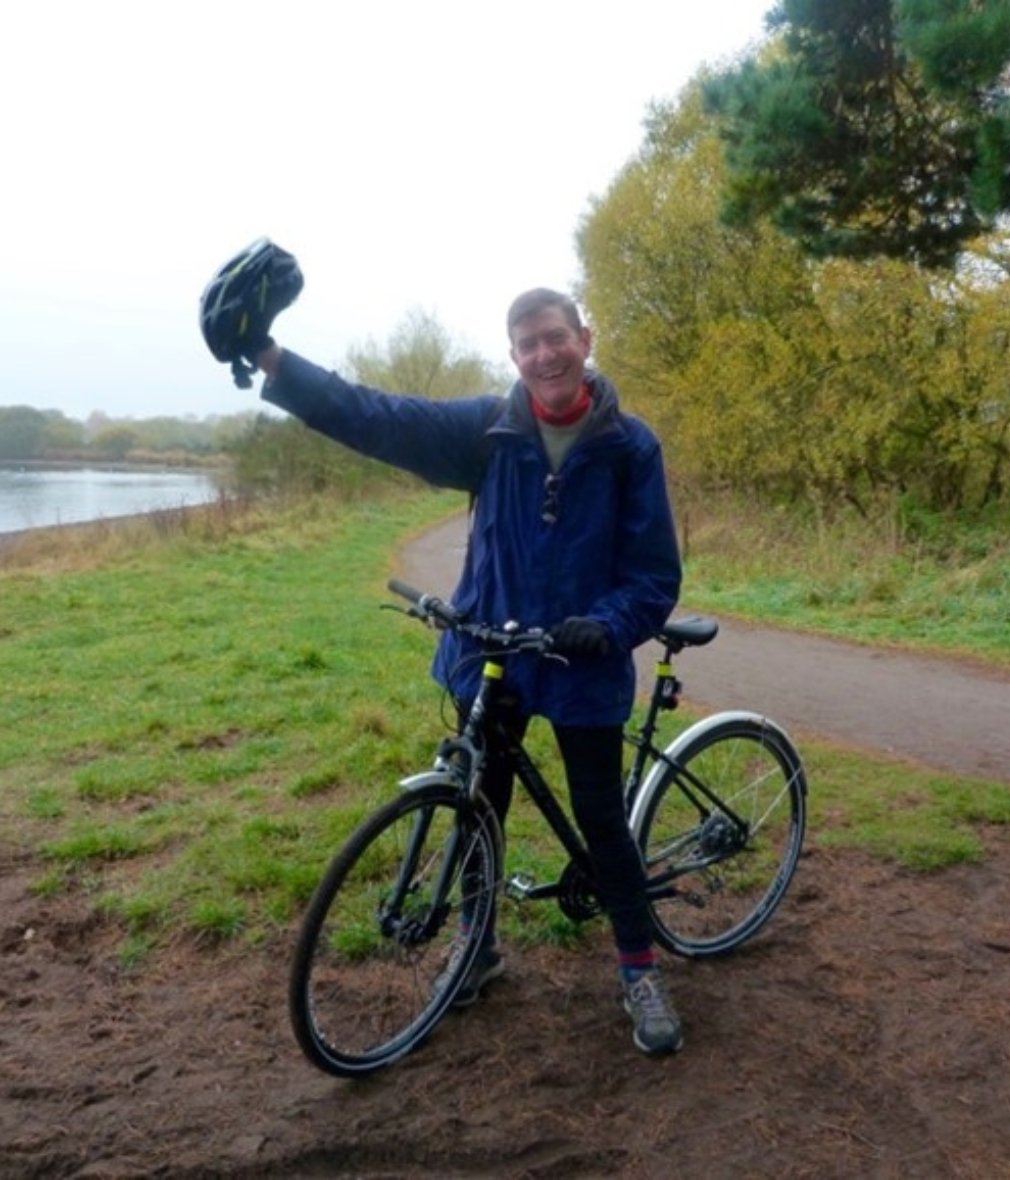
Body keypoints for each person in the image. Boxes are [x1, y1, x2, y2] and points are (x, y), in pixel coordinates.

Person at [199, 242, 685, 1055]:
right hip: (490, 656)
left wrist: (610, 621)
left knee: (602, 820)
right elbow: (376, 415)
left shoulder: (631, 447)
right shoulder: (487, 431)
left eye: (556, 337)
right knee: (477, 811)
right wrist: (269, 359)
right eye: (527, 343)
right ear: (514, 356)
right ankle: (477, 945)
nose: (544, 353)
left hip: (583, 664)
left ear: (585, 340)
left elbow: (653, 572)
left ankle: (639, 968)